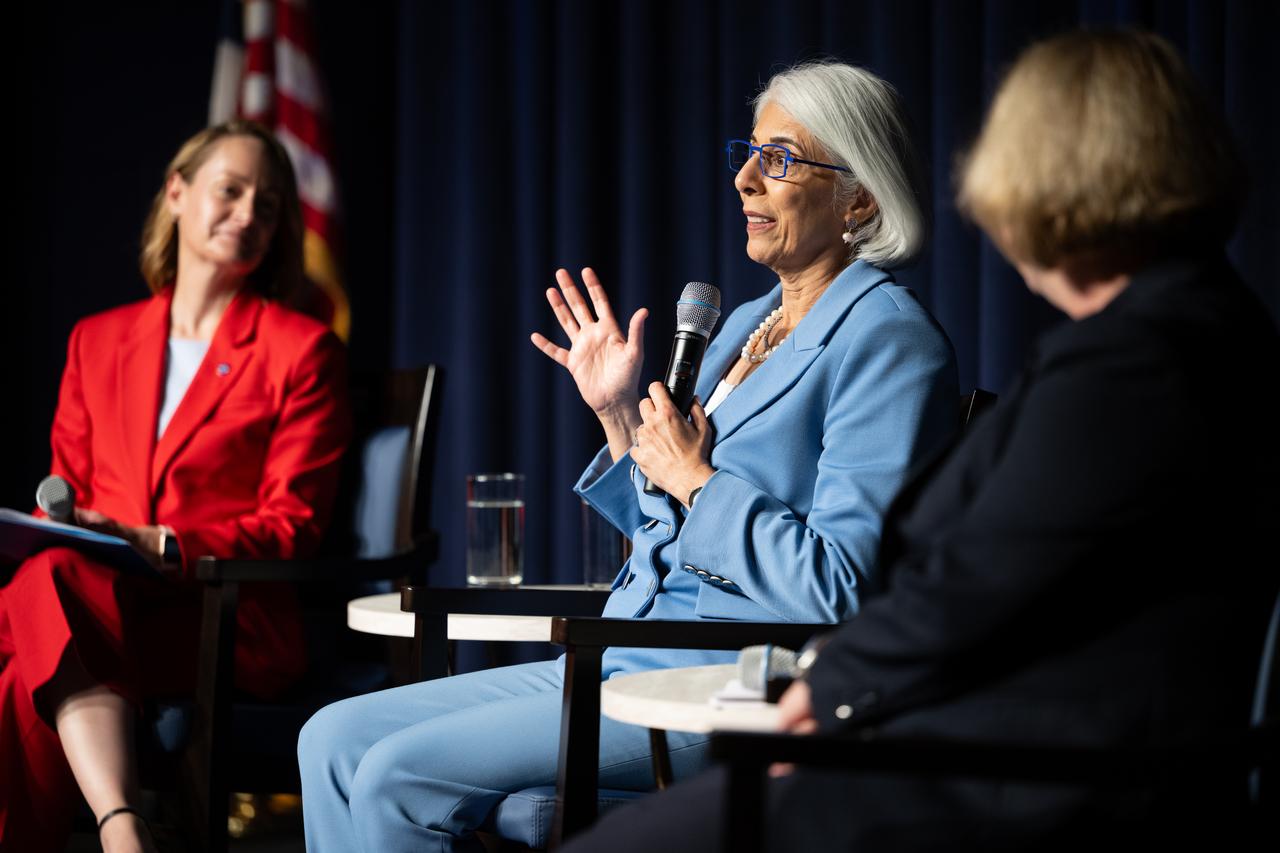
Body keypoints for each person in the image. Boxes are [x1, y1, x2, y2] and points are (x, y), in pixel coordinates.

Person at [558, 29, 1280, 853]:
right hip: (1001, 734)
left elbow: (970, 580)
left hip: (1033, 770)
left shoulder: (1138, 362)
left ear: (1055, 187)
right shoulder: (1196, 330)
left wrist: (829, 694)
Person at [298, 61, 958, 852]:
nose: (746, 177)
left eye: (780, 159)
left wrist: (699, 480)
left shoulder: (887, 340)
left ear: (860, 197)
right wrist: (619, 418)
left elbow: (841, 589)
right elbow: (670, 522)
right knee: (330, 739)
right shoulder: (746, 323)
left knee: (395, 774)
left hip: (728, 677)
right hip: (627, 642)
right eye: (748, 153)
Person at [0, 120, 351, 853]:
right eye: (231, 191)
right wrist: (73, 526)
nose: (249, 214)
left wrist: (155, 543)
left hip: (223, 615)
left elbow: (293, 523)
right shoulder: (95, 340)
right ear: (177, 192)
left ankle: (115, 828)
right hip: (95, 600)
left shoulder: (302, 349)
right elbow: (62, 494)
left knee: (32, 615)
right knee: (51, 580)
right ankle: (126, 827)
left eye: (269, 204)